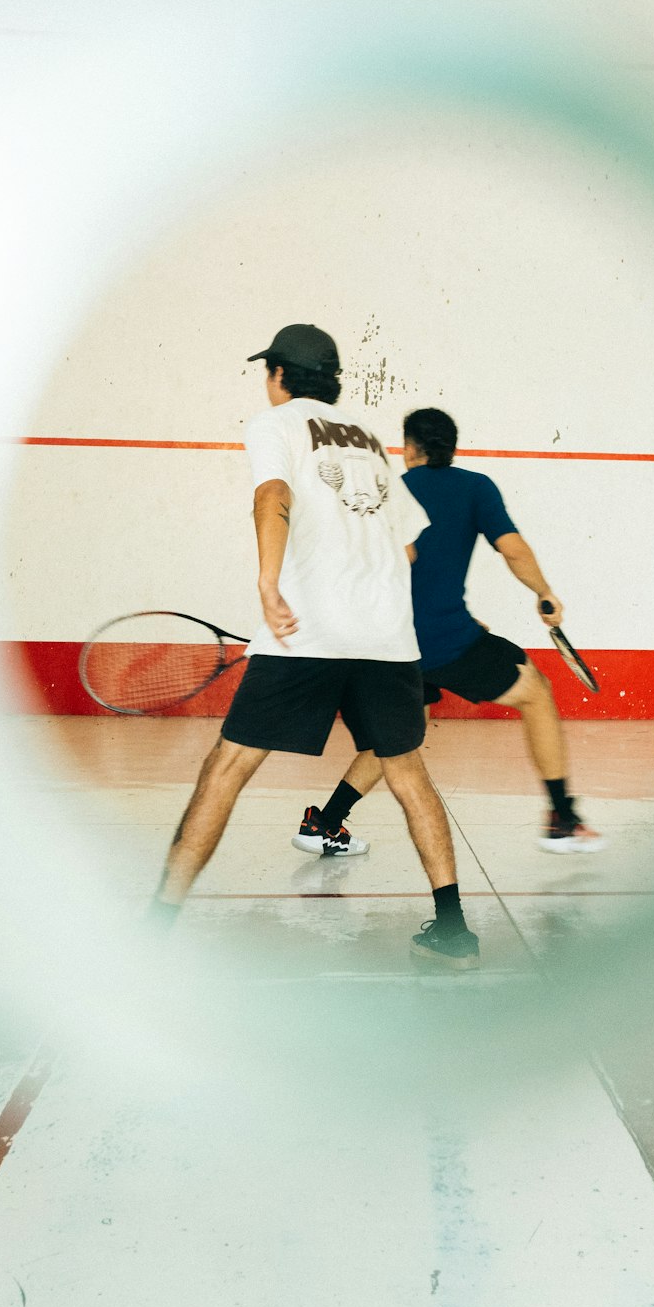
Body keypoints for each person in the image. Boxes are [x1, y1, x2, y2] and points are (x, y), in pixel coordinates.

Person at [149, 327, 480, 970]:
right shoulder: (370, 443)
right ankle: (453, 929)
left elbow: (272, 496)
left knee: (228, 768)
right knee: (408, 773)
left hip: (308, 634)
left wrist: (270, 583)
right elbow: (409, 543)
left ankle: (156, 923)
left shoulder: (274, 424)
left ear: (278, 374)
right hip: (386, 639)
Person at [294, 407, 605, 858]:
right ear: (451, 448)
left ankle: (323, 823)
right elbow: (513, 550)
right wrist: (545, 594)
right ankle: (561, 819)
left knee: (401, 733)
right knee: (535, 690)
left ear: (410, 448)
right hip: (444, 641)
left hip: (392, 644)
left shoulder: (388, 491)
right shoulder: (476, 487)